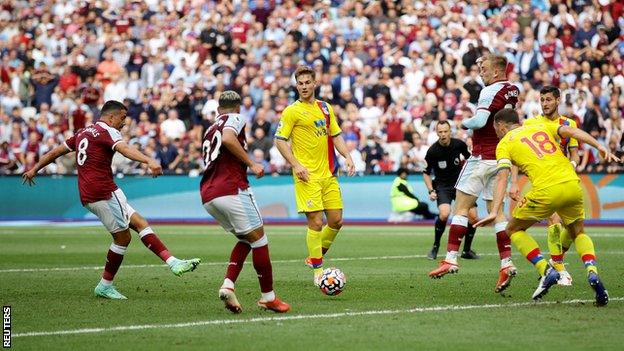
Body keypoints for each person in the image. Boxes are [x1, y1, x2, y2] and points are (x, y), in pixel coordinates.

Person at [22, 100, 200, 300]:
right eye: (123, 118)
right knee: (123, 238)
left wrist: (34, 169)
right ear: (111, 116)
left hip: (90, 192)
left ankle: (173, 262)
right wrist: (149, 160)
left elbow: (56, 152)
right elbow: (124, 149)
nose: (124, 123)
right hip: (103, 191)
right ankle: (105, 285)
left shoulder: (84, 132)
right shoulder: (108, 131)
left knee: (139, 222)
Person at [475, 108, 616, 306]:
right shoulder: (540, 126)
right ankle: (592, 271)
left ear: (501, 125)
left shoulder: (504, 143)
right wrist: (598, 146)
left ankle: (546, 270)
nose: (495, 132)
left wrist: (493, 210)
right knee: (578, 232)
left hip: (546, 190)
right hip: (572, 183)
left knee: (513, 228)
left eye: (495, 128)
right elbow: (573, 132)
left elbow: (502, 177)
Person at [428, 54, 520, 294]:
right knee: (497, 213)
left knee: (460, 207)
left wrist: (462, 123)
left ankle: (450, 258)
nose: (481, 73)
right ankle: (506, 262)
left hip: (481, 157)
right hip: (501, 157)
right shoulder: (513, 90)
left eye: (485, 69)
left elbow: (480, 121)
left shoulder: (489, 91)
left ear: (497, 71)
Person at [200, 91, 290, 313]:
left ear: (218, 109)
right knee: (260, 240)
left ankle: (228, 285)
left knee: (246, 238)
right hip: (232, 189)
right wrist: (252, 163)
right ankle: (268, 297)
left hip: (208, 194)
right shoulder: (235, 118)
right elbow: (230, 138)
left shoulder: (210, 128)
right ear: (238, 108)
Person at [274, 65, 355, 286]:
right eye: (300, 83)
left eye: (307, 82)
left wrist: (347, 156)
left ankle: (315, 256)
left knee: (336, 221)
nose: (304, 87)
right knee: (316, 222)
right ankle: (318, 270)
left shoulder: (326, 108)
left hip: (329, 173)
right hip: (306, 175)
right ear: (296, 86)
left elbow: (336, 135)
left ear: (314, 84)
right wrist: (296, 165)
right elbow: (280, 140)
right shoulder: (291, 111)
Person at [523, 85, 581, 286]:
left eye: (548, 100)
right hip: (544, 180)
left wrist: (571, 166)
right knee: (553, 220)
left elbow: (574, 153)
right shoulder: (533, 124)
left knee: (573, 228)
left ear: (558, 100)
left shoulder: (568, 123)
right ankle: (559, 269)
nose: (545, 104)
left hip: (565, 179)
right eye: (542, 100)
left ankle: (556, 260)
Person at [423, 120, 479, 260]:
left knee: (473, 217)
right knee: (444, 214)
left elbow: (470, 161)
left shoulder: (459, 144)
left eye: (445, 131)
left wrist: (471, 180)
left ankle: (466, 251)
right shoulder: (432, 151)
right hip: (442, 186)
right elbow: (425, 173)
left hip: (460, 185)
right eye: (440, 132)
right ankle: (435, 246)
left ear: (450, 131)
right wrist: (431, 190)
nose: (443, 134)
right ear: (437, 133)